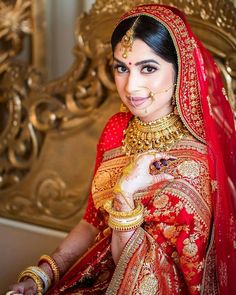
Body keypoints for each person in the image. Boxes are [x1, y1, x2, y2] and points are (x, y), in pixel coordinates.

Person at [7, 4, 236, 295]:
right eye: (121, 68)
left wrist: (125, 195)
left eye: (148, 68)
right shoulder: (117, 129)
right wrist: (43, 274)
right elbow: (91, 224)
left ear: (181, 68)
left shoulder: (205, 152)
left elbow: (178, 273)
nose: (131, 86)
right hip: (92, 278)